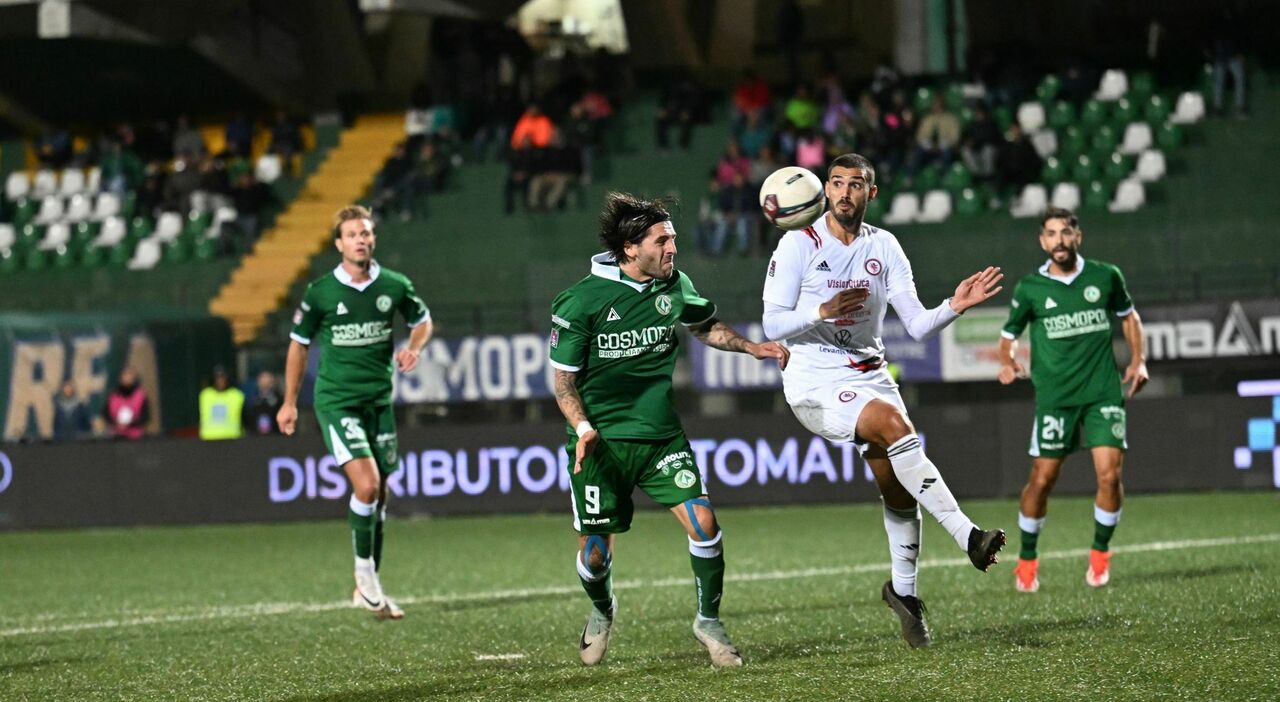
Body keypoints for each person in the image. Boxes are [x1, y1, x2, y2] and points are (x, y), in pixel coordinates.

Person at [761, 153, 1007, 650]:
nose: (845, 192)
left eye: (857, 184)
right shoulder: (797, 244)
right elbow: (771, 325)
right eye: (837, 183)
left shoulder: (885, 246)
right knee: (897, 429)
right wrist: (821, 310)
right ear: (824, 190)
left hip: (870, 376)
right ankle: (967, 536)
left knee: (897, 490)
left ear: (871, 193)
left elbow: (915, 323)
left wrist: (954, 306)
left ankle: (904, 594)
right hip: (813, 381)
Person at [549, 192, 789, 667]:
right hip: (600, 446)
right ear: (629, 249)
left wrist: (749, 347)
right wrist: (581, 428)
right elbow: (563, 381)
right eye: (662, 241)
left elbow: (704, 326)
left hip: (660, 437)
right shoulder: (580, 301)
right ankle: (602, 610)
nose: (672, 249)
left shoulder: (674, 285)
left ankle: (708, 620)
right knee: (595, 557)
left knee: (704, 523)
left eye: (673, 239)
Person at [278, 205, 433, 621]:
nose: (360, 239)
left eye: (365, 233)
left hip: (378, 403)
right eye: (352, 234)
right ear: (339, 244)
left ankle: (367, 586)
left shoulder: (395, 285)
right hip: (337, 402)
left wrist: (413, 348)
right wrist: (290, 401)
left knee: (381, 493)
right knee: (366, 487)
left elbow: (422, 320)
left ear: (373, 239)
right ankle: (365, 579)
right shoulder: (321, 292)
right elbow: (298, 344)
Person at [997, 207, 1148, 593]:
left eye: (1066, 232)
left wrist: (1139, 361)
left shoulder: (1106, 275)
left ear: (1077, 237)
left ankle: (1100, 553)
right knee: (1042, 479)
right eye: (1051, 233)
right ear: (1042, 241)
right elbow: (1009, 333)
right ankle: (1027, 559)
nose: (1059, 240)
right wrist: (1007, 362)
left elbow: (1129, 317)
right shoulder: (1030, 287)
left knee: (1110, 476)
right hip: (1055, 398)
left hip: (1102, 393)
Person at [199, 366, 245, 441]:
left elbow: (245, 417)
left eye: (223, 377)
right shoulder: (205, 395)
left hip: (232, 438)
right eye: (217, 378)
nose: (220, 380)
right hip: (209, 439)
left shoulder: (237, 395)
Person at [104, 367, 149, 440]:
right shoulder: (113, 395)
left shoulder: (141, 395)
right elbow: (106, 414)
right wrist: (116, 423)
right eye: (125, 375)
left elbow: (145, 417)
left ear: (134, 378)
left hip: (136, 438)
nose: (127, 378)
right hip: (116, 437)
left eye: (130, 375)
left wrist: (129, 424)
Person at [246, 370, 283, 435]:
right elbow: (248, 419)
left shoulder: (279, 399)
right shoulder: (252, 399)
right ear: (258, 382)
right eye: (262, 380)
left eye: (268, 380)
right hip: (255, 437)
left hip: (275, 436)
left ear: (272, 382)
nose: (265, 383)